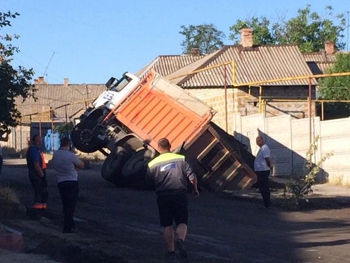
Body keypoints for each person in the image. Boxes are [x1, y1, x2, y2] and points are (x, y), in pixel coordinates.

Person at [146, 138, 199, 260]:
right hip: (179, 194)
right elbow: (192, 176)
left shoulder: (152, 164)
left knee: (167, 224)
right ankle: (180, 240)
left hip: (163, 196)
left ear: (159, 148)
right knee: (182, 222)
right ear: (170, 146)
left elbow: (148, 182)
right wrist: (195, 189)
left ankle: (171, 251)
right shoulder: (181, 159)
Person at [51, 137, 84, 233]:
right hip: (72, 181)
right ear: (69, 145)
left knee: (65, 204)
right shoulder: (70, 155)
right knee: (71, 205)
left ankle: (71, 224)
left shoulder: (56, 154)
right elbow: (81, 165)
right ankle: (68, 226)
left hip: (61, 181)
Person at [26, 135, 48, 217]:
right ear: (33, 142)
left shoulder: (37, 150)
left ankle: (42, 210)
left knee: (43, 192)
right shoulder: (33, 151)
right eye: (38, 141)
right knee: (39, 192)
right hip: (36, 175)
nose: (40, 143)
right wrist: (42, 176)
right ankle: (37, 212)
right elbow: (36, 165)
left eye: (41, 141)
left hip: (39, 174)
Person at [254, 135, 272, 208]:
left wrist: (269, 166)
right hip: (261, 170)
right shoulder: (262, 148)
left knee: (264, 187)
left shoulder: (264, 148)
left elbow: (267, 159)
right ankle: (266, 202)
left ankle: (267, 203)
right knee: (263, 187)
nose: (257, 143)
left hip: (263, 170)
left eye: (259, 141)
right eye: (256, 141)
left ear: (262, 140)